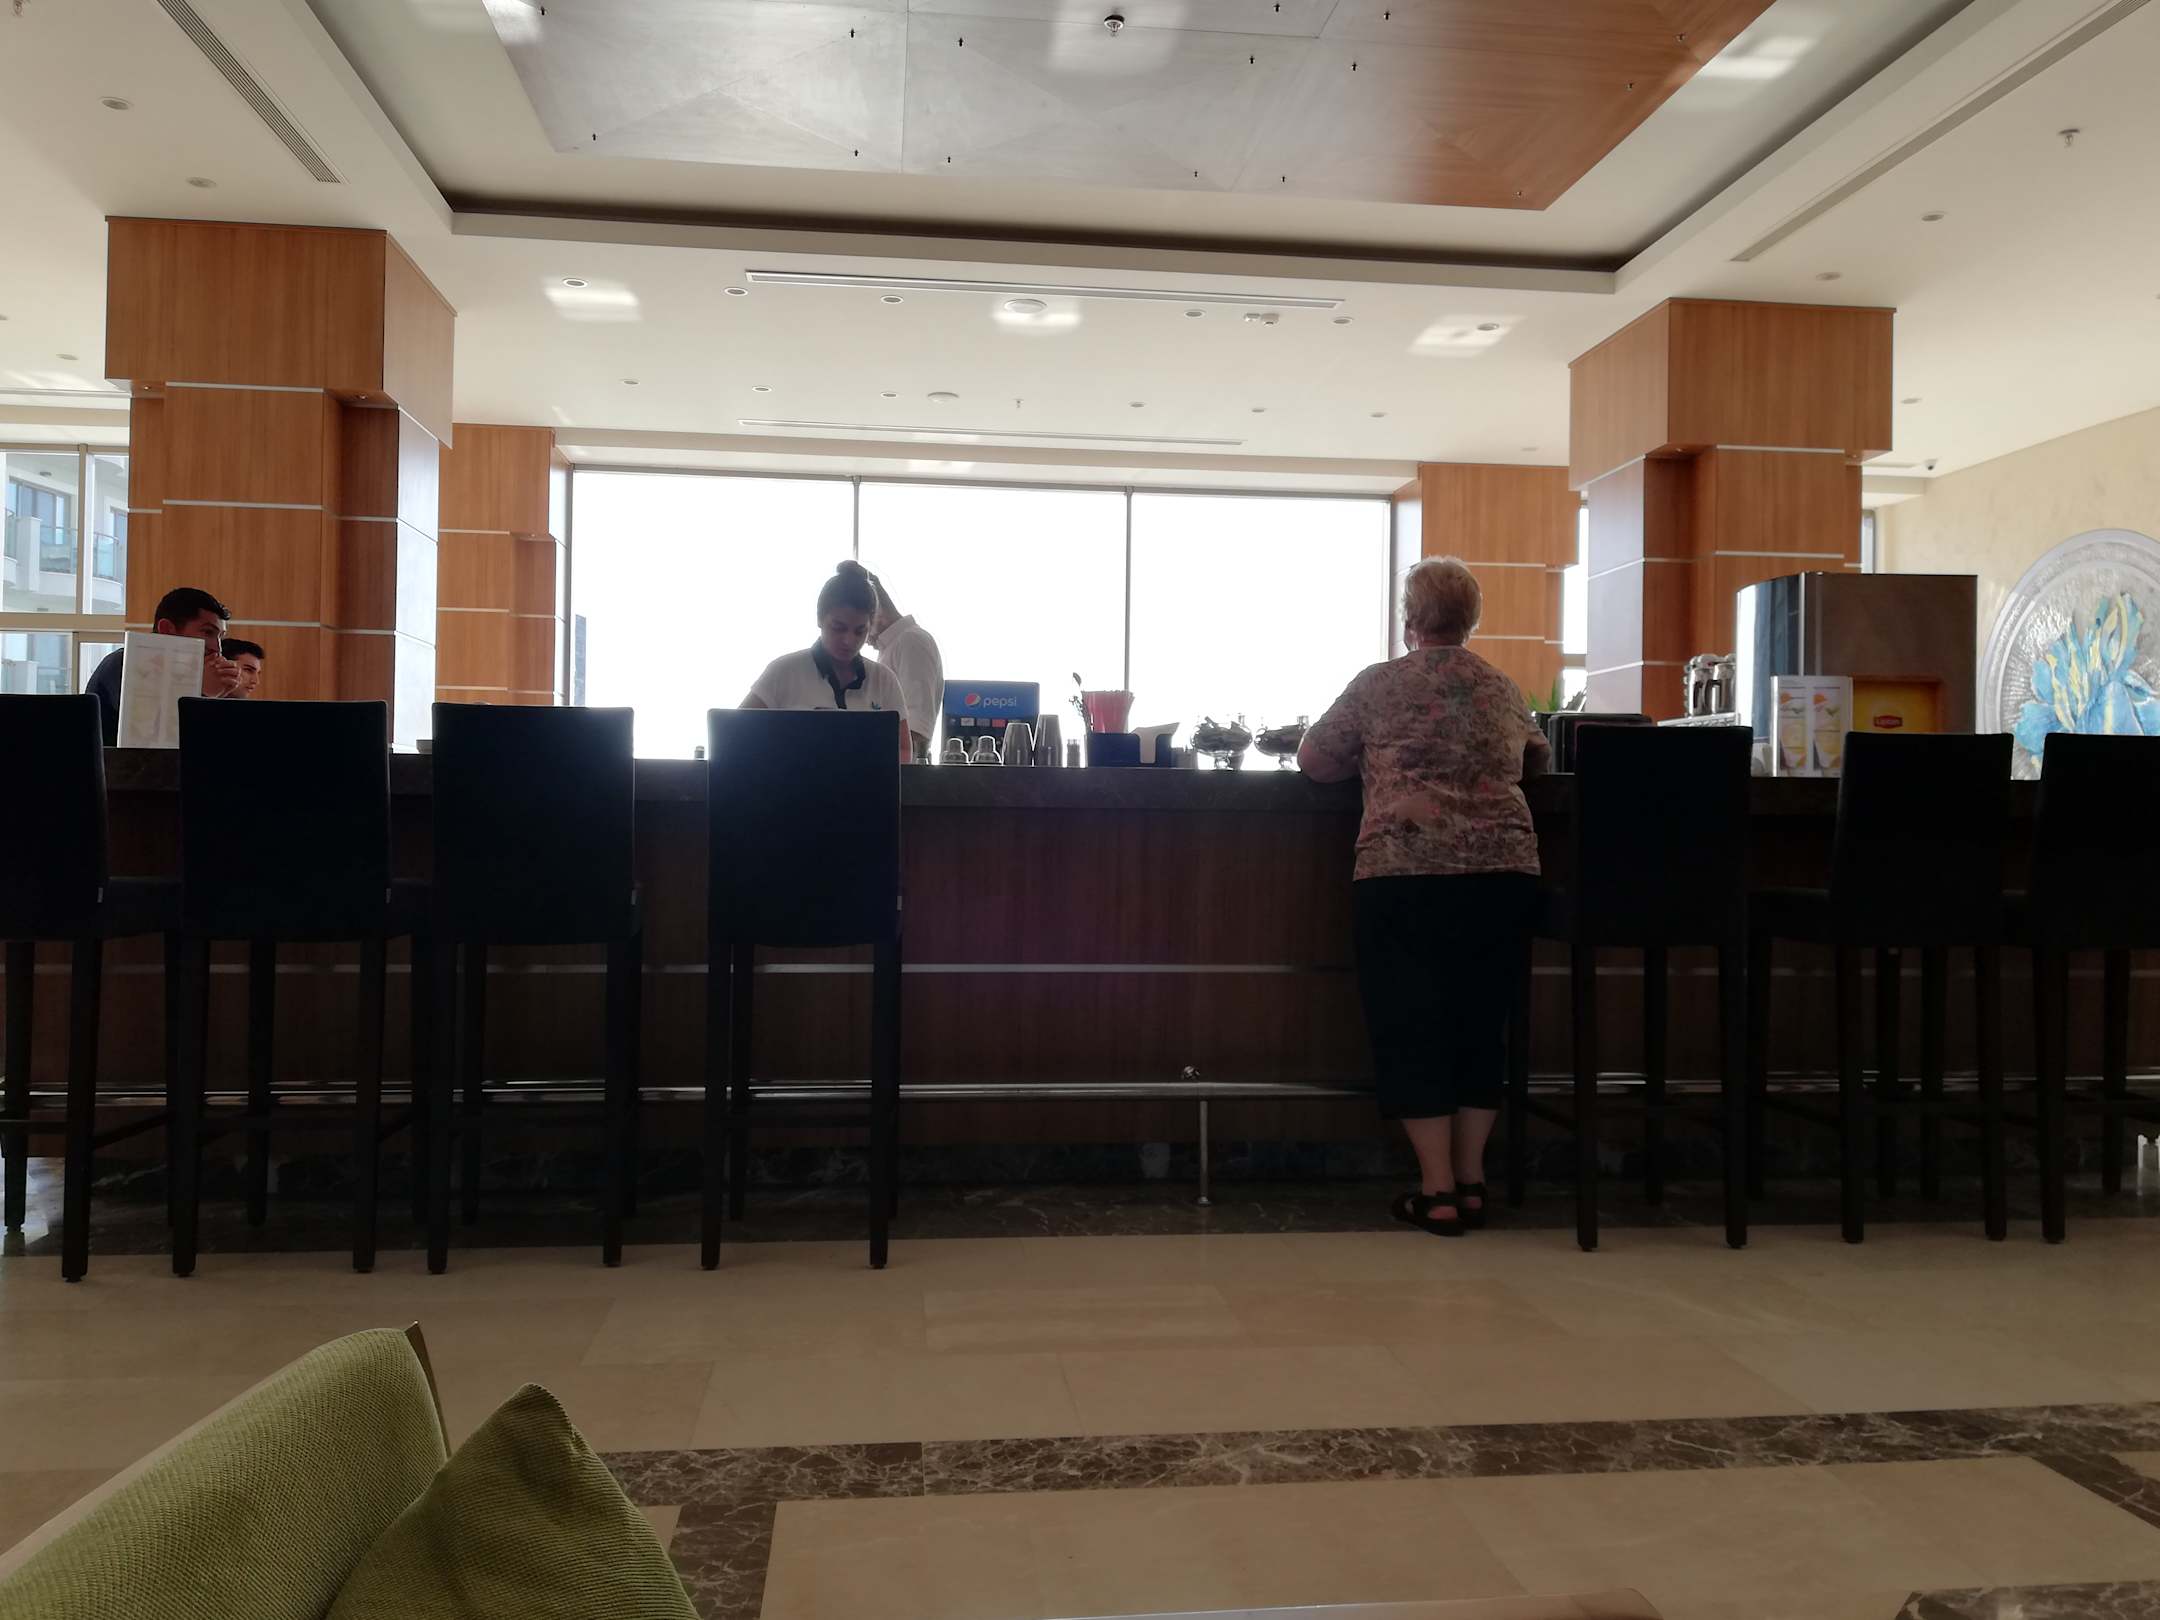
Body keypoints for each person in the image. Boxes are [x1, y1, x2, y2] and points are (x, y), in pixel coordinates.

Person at [1297, 556, 1549, 1238]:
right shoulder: (1502, 686)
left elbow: (1314, 761)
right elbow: (1538, 760)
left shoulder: (1378, 683)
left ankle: (1436, 1191)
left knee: (1411, 1025)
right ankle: (1472, 1182)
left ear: (1410, 619)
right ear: (1471, 620)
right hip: (1504, 874)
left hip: (1405, 873)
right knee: (1480, 1025)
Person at [741, 561, 912, 760]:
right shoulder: (783, 671)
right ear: (819, 619)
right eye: (838, 628)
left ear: (871, 627)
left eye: (860, 631)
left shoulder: (884, 680)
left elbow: (904, 751)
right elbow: (737, 735)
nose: (849, 640)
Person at [85, 586, 242, 745]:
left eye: (220, 637)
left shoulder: (181, 673)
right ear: (167, 629)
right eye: (207, 632)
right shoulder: (124, 663)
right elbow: (153, 739)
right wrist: (204, 693)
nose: (217, 648)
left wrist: (227, 696)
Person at [862, 568, 945, 761]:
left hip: (901, 771)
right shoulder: (894, 647)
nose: (861, 641)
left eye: (861, 629)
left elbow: (916, 731)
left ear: (877, 614)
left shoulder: (911, 642)